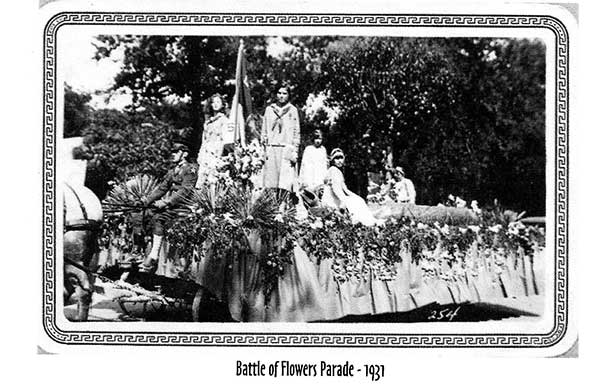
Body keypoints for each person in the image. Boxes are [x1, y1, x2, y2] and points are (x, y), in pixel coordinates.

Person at [139, 137, 199, 273]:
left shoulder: (190, 170)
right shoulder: (172, 171)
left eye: (176, 152)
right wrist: (146, 201)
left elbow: (185, 191)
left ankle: (153, 255)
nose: (172, 155)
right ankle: (142, 254)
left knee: (159, 218)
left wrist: (166, 202)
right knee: (144, 215)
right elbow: (162, 188)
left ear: (184, 154)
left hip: (184, 205)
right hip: (173, 205)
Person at [321, 148, 379, 226]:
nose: (339, 161)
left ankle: (368, 221)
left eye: (341, 158)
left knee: (358, 200)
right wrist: (343, 201)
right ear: (332, 160)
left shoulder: (339, 171)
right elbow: (335, 189)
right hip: (332, 199)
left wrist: (357, 197)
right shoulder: (333, 170)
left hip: (338, 197)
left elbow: (345, 189)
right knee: (353, 203)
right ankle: (364, 222)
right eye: (336, 158)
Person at [261, 86, 300, 192]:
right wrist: (264, 148)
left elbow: (296, 132)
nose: (281, 96)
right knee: (271, 182)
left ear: (288, 95)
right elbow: (264, 130)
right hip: (272, 147)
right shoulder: (269, 110)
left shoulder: (293, 110)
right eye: (279, 93)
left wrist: (295, 150)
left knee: (285, 183)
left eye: (284, 93)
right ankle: (272, 206)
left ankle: (283, 207)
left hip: (286, 149)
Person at [196, 94, 231, 187]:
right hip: (206, 152)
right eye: (213, 102)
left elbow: (225, 139)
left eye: (218, 102)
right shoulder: (208, 122)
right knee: (202, 177)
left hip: (217, 152)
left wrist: (219, 156)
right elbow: (204, 140)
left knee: (213, 179)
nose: (215, 104)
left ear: (223, 105)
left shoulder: (224, 120)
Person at [299, 129, 328, 194]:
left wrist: (325, 177)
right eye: (316, 139)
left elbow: (324, 164)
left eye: (320, 139)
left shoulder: (323, 150)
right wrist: (302, 179)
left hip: (320, 174)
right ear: (313, 139)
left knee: (320, 192)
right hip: (310, 174)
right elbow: (304, 164)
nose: (318, 141)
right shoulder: (308, 149)